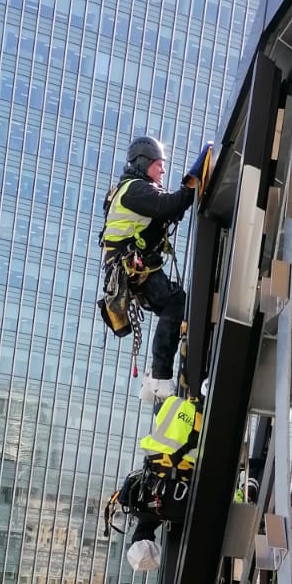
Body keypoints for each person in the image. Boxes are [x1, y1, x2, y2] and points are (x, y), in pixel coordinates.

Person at [100, 134, 213, 401]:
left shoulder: (132, 190)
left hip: (134, 268)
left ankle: (155, 377)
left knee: (176, 304)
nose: (162, 169)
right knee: (176, 303)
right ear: (143, 163)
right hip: (132, 267)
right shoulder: (135, 190)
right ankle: (159, 376)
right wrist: (197, 171)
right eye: (158, 164)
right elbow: (172, 205)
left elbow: (170, 211)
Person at [121, 393, 203, 574]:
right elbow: (145, 527)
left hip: (198, 436)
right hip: (185, 441)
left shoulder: (171, 510)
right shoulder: (168, 406)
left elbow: (147, 527)